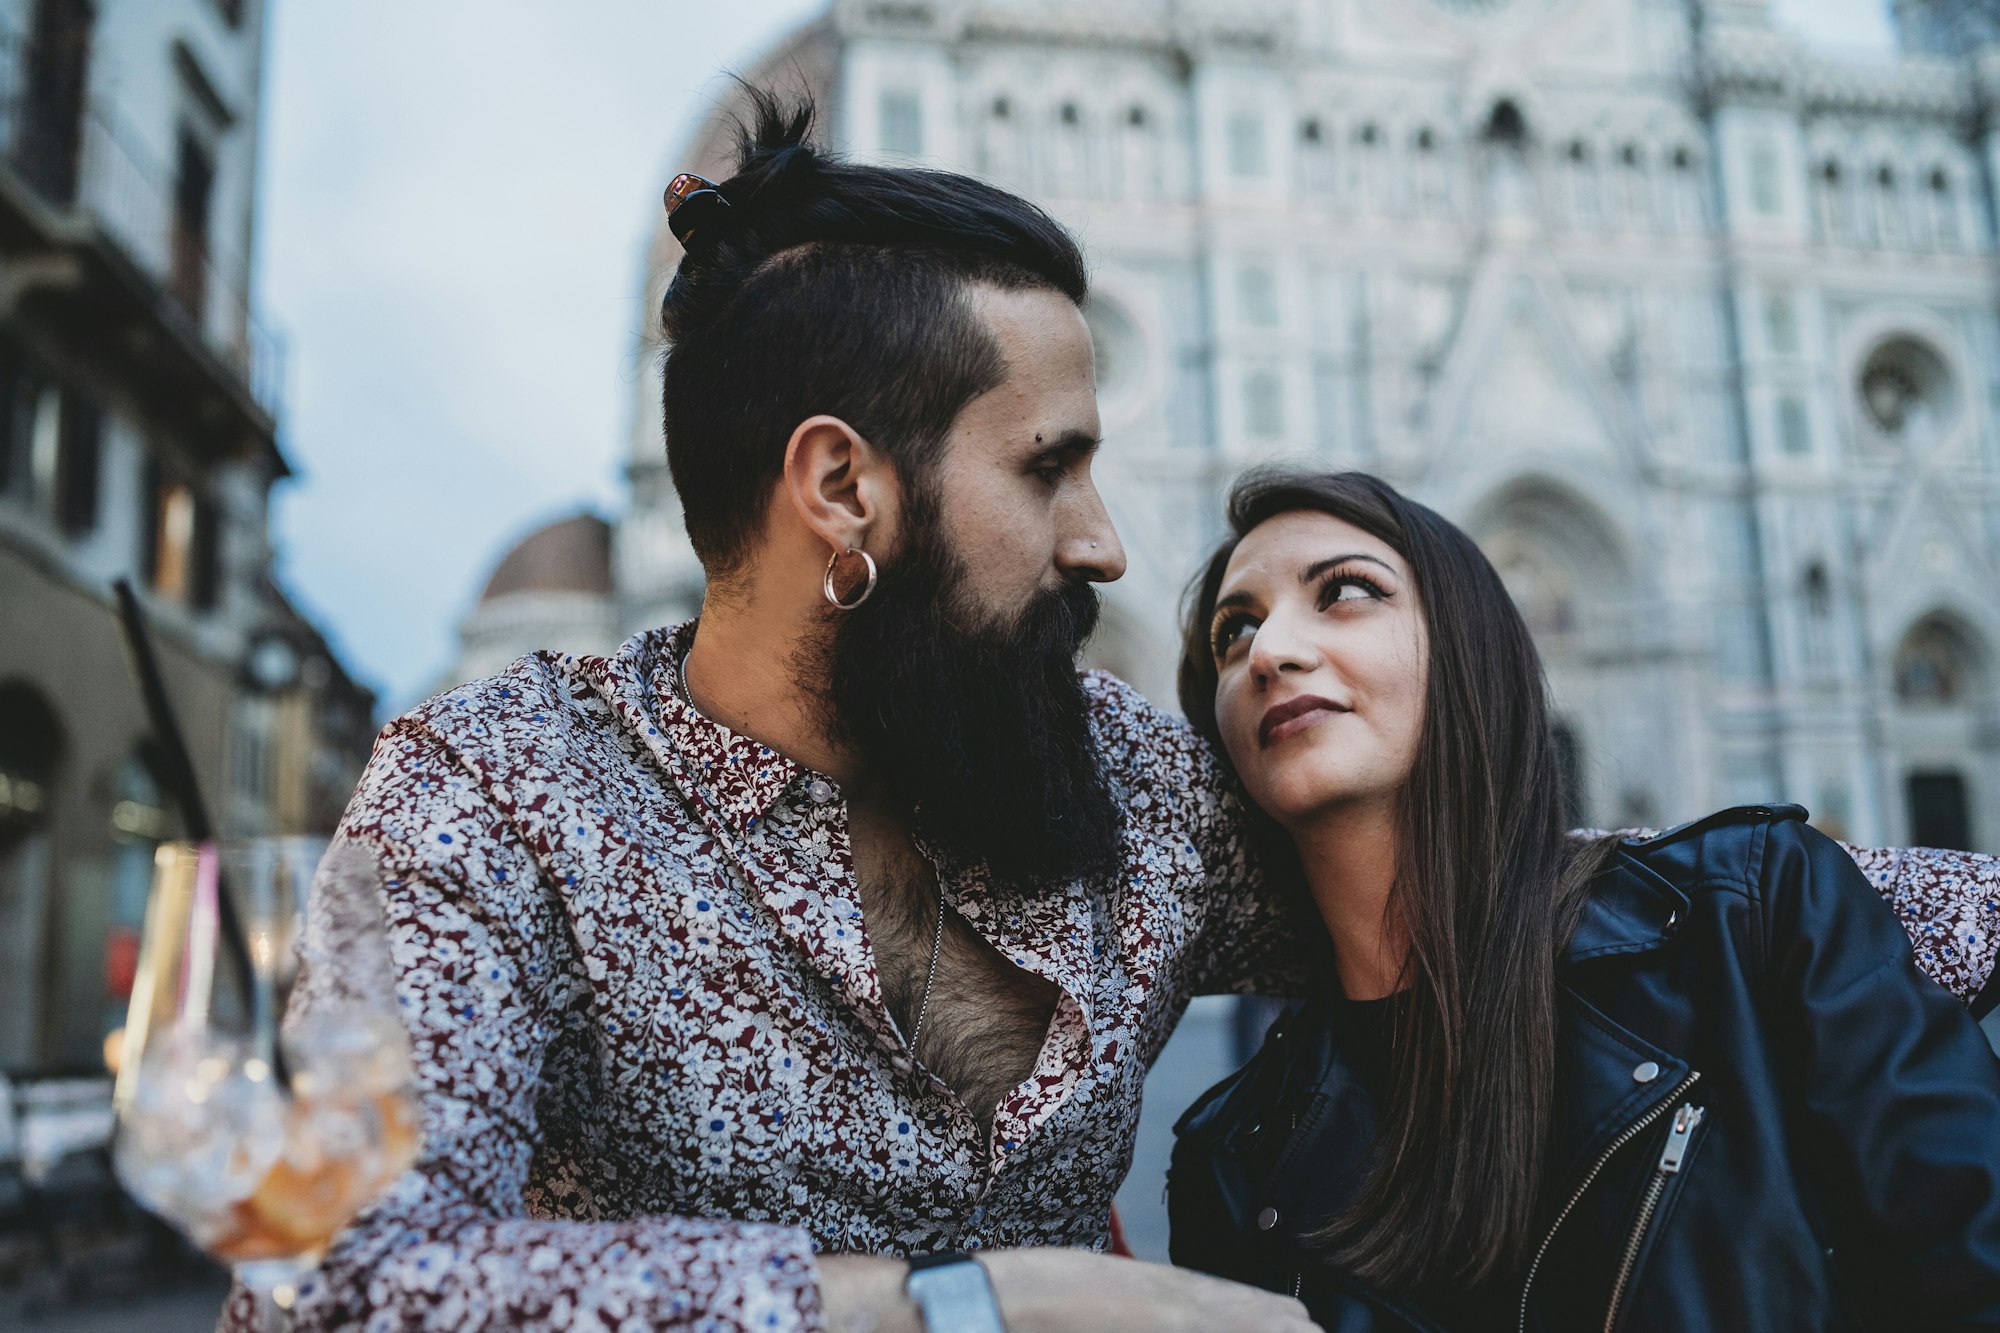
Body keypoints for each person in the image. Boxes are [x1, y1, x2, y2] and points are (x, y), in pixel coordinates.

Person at [225, 91, 1994, 1333]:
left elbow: (1551, 881)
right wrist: (971, 1308)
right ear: (842, 489)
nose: (1108, 539)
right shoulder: (494, 789)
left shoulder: (1122, 785)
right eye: (1050, 464)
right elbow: (317, 1283)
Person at [1167, 470, 2000, 1331]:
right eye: (1235, 631)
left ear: (1471, 645)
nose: (1268, 651)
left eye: (1344, 591)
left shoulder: (1751, 912)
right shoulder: (1230, 1160)